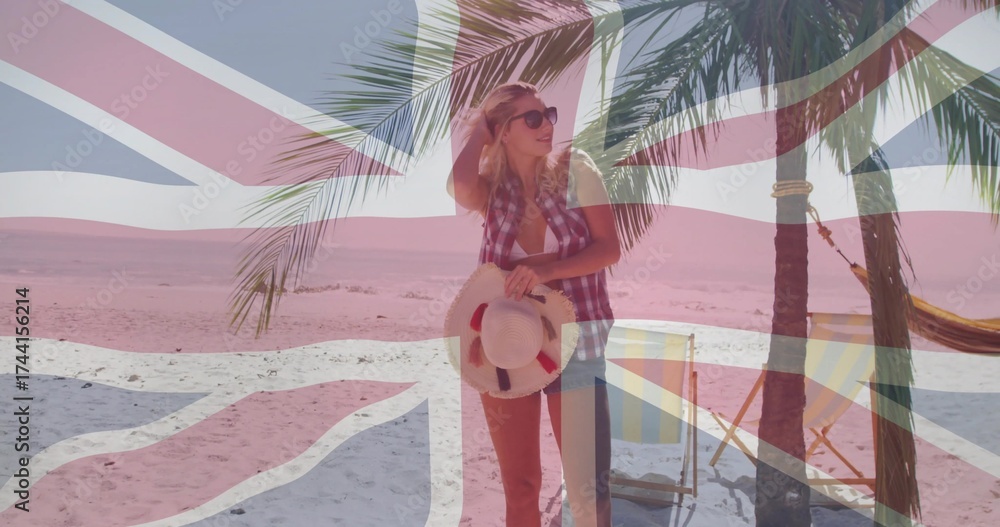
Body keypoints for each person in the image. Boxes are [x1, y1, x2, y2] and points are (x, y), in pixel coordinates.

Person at [447, 81, 619, 527]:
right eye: (533, 118)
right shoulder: (494, 193)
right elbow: (459, 184)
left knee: (587, 490)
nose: (547, 126)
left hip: (576, 343)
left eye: (548, 114)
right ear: (505, 130)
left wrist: (547, 272)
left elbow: (608, 249)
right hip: (506, 349)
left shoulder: (574, 169)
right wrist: (480, 133)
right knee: (520, 488)